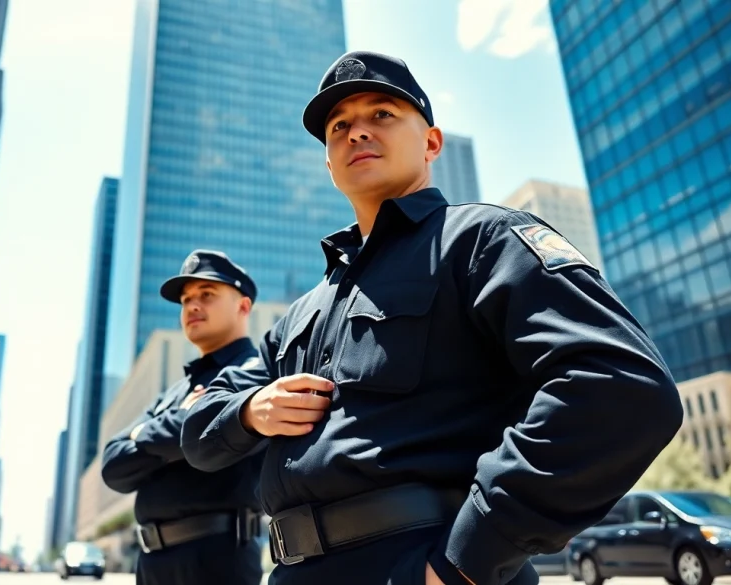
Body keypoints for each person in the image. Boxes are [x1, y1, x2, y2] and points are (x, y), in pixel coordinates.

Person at [180, 50, 684, 585]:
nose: (356, 133)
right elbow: (198, 433)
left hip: (424, 564)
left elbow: (621, 386)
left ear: (431, 143)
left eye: (382, 115)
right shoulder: (304, 312)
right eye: (339, 126)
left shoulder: (483, 242)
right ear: (328, 162)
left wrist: (468, 557)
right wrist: (251, 410)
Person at [101, 250, 266, 585]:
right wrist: (175, 424)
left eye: (207, 294)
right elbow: (113, 466)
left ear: (243, 306)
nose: (192, 305)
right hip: (152, 563)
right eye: (186, 298)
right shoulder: (177, 391)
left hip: (216, 558)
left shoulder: (254, 370)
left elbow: (197, 428)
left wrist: (144, 435)